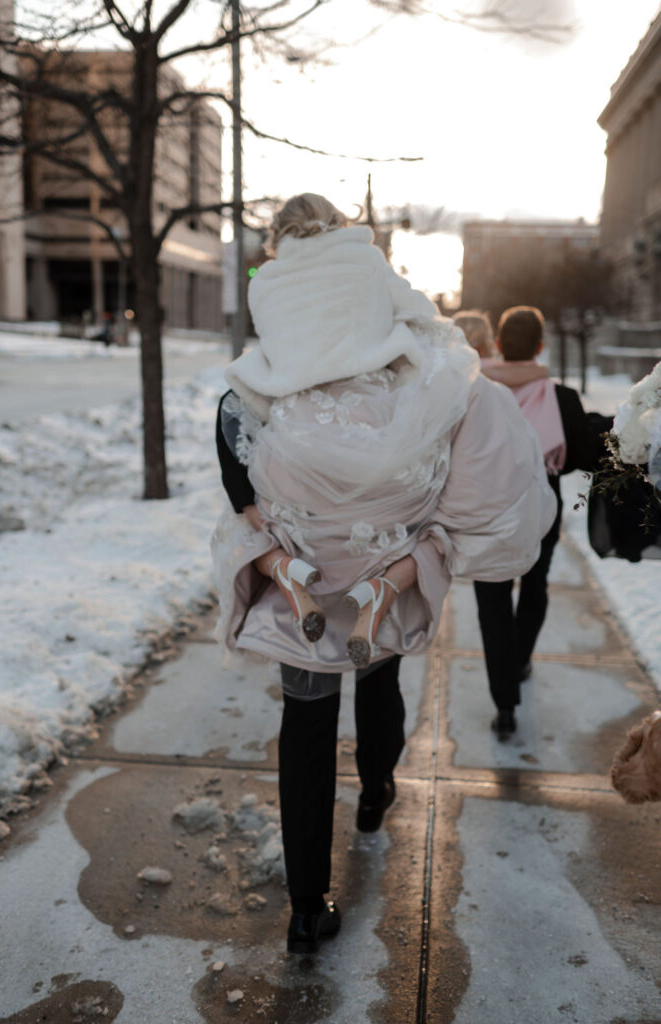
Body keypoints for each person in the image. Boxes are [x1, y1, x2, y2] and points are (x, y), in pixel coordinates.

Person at [212, 195, 556, 955]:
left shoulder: (267, 281)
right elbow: (424, 331)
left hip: (303, 503)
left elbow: (265, 374)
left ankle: (307, 907)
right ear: (338, 225)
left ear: (278, 238)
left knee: (302, 721)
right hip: (378, 506)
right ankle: (374, 790)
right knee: (379, 680)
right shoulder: (367, 265)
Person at [473, 305, 607, 740]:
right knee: (535, 587)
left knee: (492, 604)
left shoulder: (474, 389)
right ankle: (520, 661)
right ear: (541, 347)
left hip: (485, 511)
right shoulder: (561, 398)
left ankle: (504, 703)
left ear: (498, 345)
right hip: (539, 511)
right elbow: (587, 452)